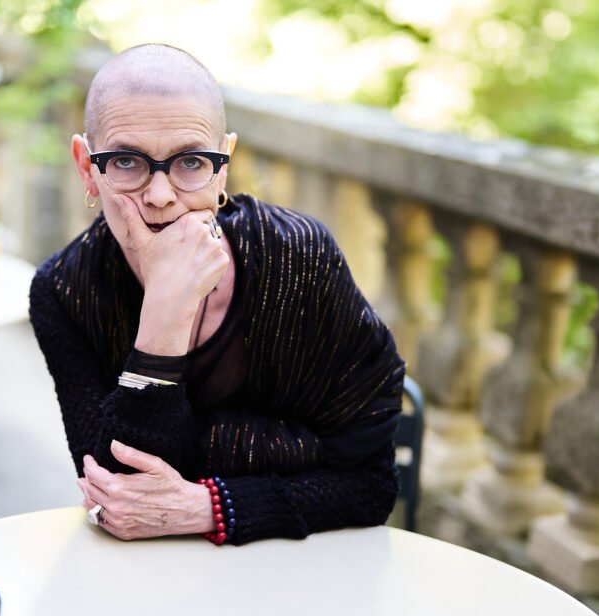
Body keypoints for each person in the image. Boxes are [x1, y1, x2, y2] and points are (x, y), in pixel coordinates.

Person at [28, 43, 405, 545]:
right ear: (86, 167)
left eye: (189, 162)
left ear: (222, 165)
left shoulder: (297, 257)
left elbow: (370, 485)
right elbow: (121, 497)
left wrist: (211, 505)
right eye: (124, 161)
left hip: (303, 576)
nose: (160, 196)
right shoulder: (63, 292)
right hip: (148, 586)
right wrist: (163, 314)